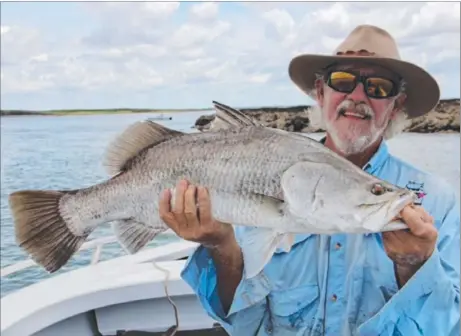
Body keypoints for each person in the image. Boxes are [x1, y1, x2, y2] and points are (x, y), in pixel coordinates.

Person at [158, 25, 460, 336]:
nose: (357, 96)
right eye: (342, 82)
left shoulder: (438, 200)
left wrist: (414, 265)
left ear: (396, 105)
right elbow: (248, 326)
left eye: (379, 87)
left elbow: (447, 325)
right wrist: (220, 245)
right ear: (320, 92)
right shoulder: (258, 176)